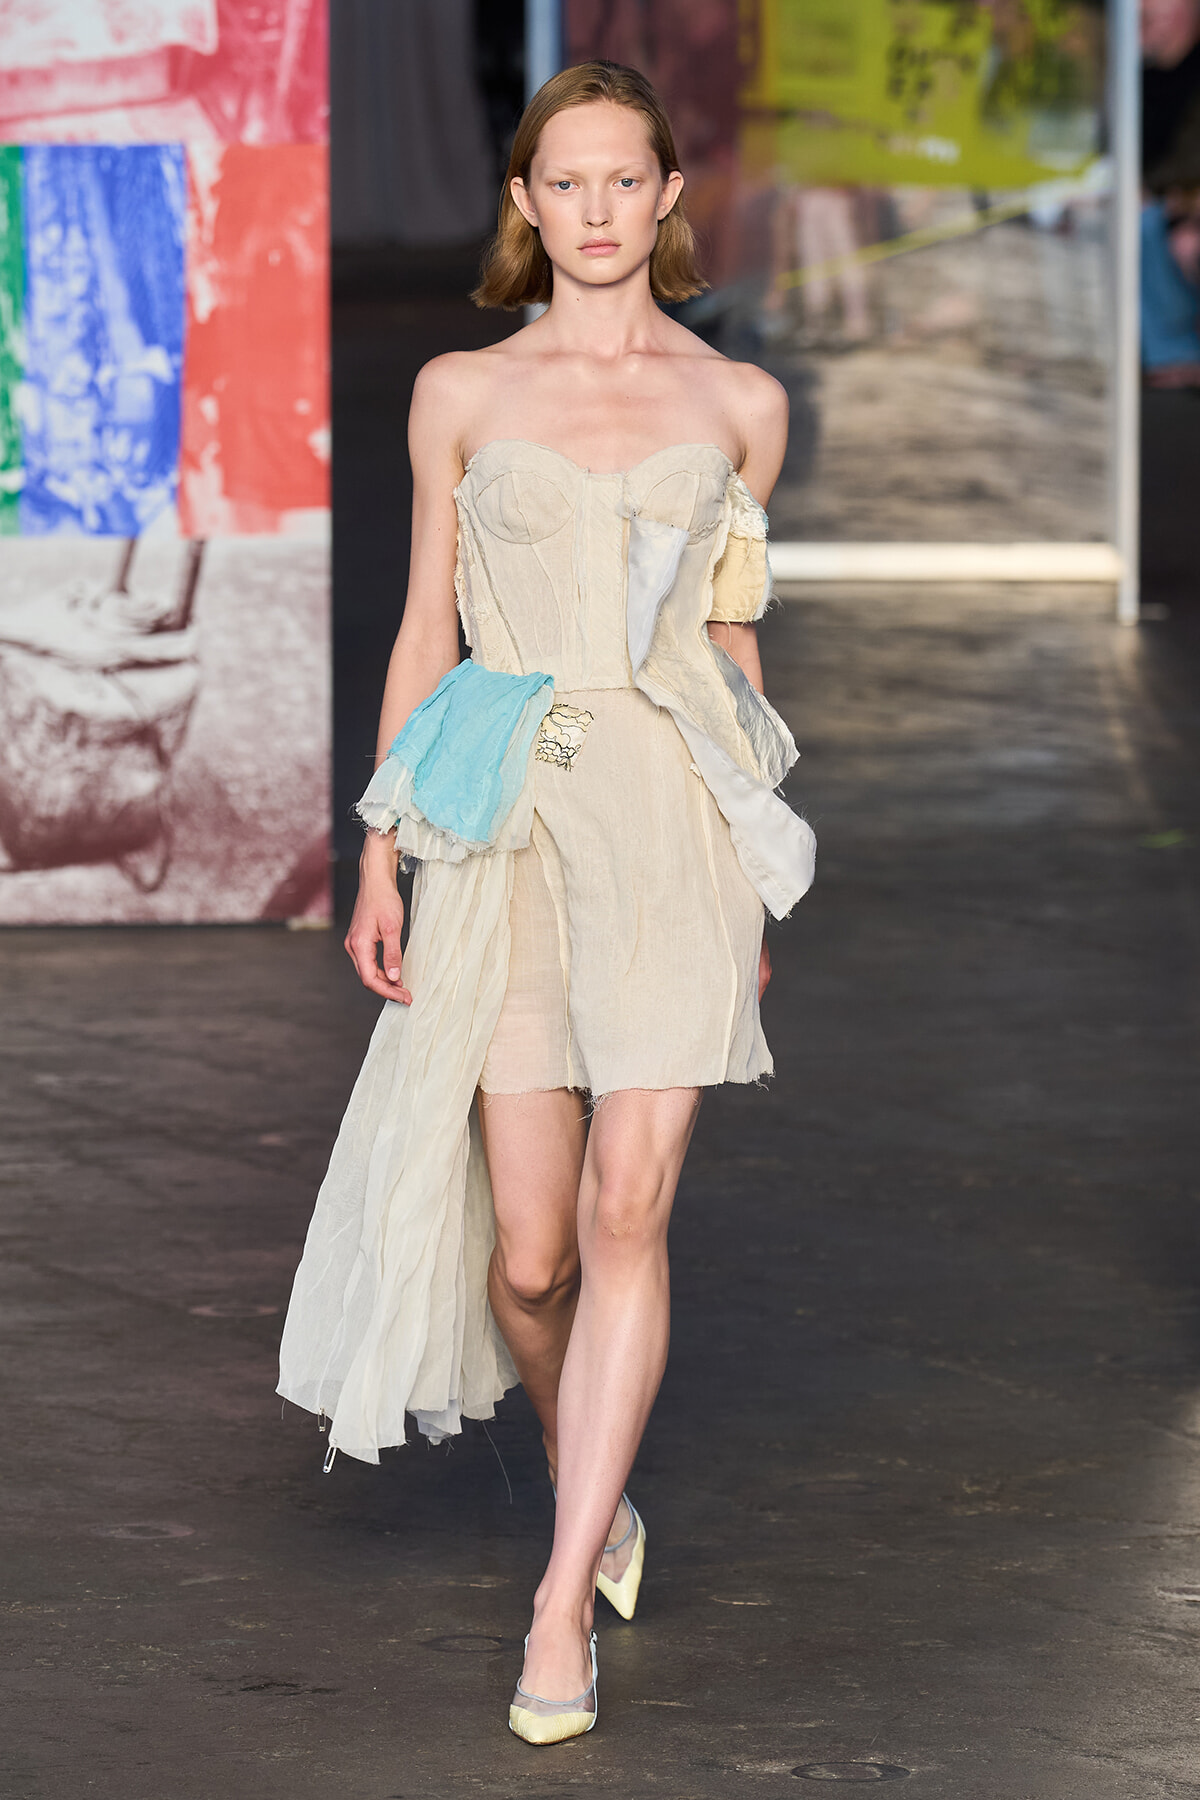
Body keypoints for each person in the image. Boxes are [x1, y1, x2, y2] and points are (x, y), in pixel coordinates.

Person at [277, 60, 815, 1746]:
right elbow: (424, 630)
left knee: (628, 1211)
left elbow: (731, 652)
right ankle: (599, 1473)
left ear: (668, 196)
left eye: (622, 179)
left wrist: (757, 876)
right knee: (530, 1257)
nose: (594, 208)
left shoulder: (740, 404)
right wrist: (381, 848)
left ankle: (561, 1596)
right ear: (525, 200)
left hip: (673, 824)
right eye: (562, 180)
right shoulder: (459, 391)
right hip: (502, 818)